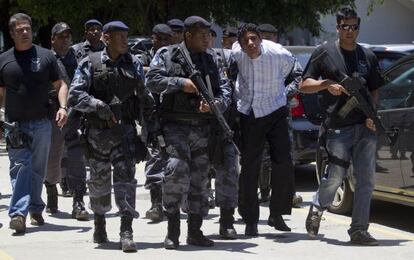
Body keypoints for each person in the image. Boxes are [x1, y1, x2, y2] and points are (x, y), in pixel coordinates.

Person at [146, 15, 231, 249]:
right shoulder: (167, 54)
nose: (207, 40)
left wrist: (214, 105)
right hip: (175, 125)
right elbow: (151, 80)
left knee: (201, 178)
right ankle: (173, 229)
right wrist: (180, 83)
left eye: (208, 35)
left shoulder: (213, 59)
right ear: (188, 35)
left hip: (203, 127)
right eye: (202, 35)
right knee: (175, 170)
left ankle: (195, 230)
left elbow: (225, 90)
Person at [69, 21, 154, 252]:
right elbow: (74, 95)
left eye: (127, 36)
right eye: (121, 37)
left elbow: (144, 98)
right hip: (98, 132)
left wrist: (149, 130)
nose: (126, 41)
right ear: (107, 38)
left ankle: (126, 230)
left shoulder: (133, 63)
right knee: (99, 180)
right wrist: (97, 105)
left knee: (126, 180)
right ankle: (99, 222)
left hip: (125, 131)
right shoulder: (90, 63)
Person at [300, 7, 382, 246]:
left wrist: (372, 114)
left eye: (354, 27)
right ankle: (317, 206)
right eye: (345, 26)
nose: (350, 31)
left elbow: (375, 89)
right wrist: (326, 85)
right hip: (337, 127)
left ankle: (359, 230)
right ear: (338, 27)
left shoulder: (367, 56)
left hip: (364, 128)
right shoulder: (324, 52)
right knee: (335, 177)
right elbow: (304, 85)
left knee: (366, 180)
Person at [0, 13, 68, 234]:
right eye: (19, 30)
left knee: (38, 169)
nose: (25, 33)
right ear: (11, 34)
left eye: (27, 28)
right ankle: (18, 213)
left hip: (42, 123)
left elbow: (61, 85)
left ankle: (36, 207)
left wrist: (63, 108)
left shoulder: (46, 56)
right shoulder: (4, 60)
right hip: (15, 124)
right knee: (21, 167)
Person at [230, 23, 295, 236]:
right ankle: (250, 219)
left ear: (260, 39)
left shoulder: (278, 53)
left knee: (283, 162)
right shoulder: (236, 52)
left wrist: (284, 94)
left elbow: (295, 73)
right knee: (250, 167)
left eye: (254, 39)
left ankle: (277, 214)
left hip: (275, 109)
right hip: (250, 112)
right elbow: (231, 73)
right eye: (245, 41)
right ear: (240, 44)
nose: (251, 44)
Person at [256, 23, 303, 208]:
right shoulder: (252, 56)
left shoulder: (285, 56)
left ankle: (288, 193)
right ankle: (264, 191)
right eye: (264, 36)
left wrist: (282, 93)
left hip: (281, 112)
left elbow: (299, 78)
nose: (267, 40)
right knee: (261, 155)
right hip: (257, 112)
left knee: (284, 155)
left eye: (271, 36)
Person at [50, 22, 89, 220]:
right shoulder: (46, 60)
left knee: (76, 158)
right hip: (52, 118)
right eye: (61, 36)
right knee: (52, 160)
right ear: (53, 39)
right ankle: (50, 193)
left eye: (68, 36)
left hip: (76, 117)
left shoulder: (80, 59)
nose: (65, 39)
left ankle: (78, 201)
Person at [140, 23, 173, 222]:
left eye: (165, 39)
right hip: (150, 115)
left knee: (174, 161)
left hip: (171, 115)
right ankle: (156, 204)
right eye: (158, 38)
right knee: (154, 158)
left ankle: (174, 202)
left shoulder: (175, 57)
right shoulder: (144, 56)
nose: (161, 42)